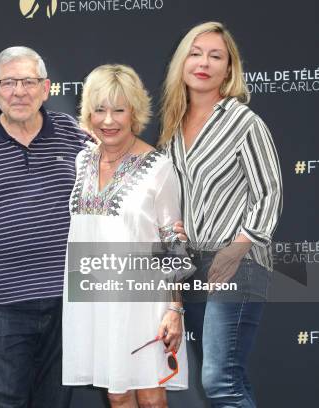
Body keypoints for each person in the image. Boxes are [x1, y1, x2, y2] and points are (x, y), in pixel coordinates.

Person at [0, 46, 89, 407]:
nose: (19, 91)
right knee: (1, 402)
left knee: (55, 402)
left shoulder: (77, 137)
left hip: (65, 303)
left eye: (29, 81)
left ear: (47, 88)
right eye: (8, 83)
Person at [159, 21, 283, 407]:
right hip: (194, 266)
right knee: (230, 379)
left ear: (228, 70)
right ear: (182, 63)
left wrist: (236, 250)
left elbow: (269, 192)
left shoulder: (243, 122)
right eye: (195, 53)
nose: (204, 63)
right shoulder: (173, 130)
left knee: (218, 381)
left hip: (239, 261)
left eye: (216, 56)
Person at [62, 64, 189, 408]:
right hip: (96, 299)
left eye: (119, 110)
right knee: (117, 396)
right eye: (100, 110)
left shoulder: (158, 168)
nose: (109, 120)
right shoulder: (83, 161)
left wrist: (174, 309)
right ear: (89, 113)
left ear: (134, 112)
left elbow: (173, 243)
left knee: (150, 397)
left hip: (144, 302)